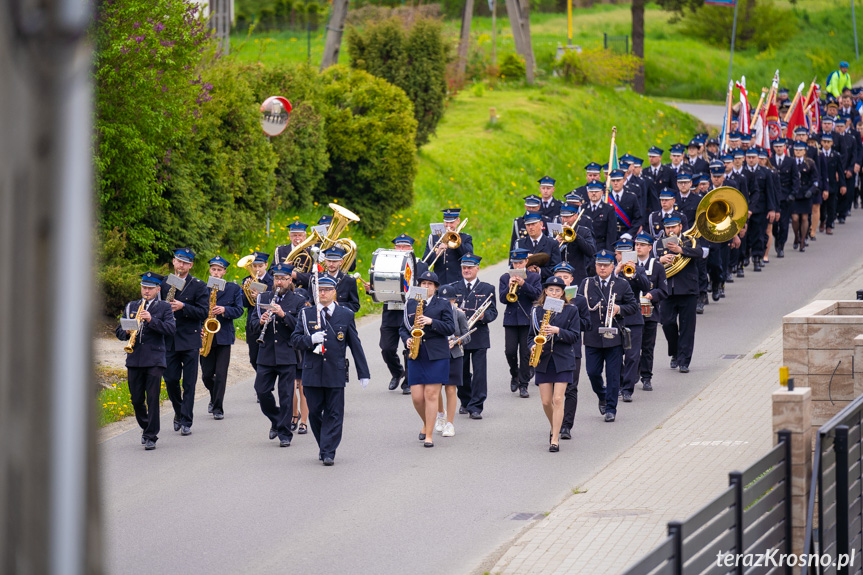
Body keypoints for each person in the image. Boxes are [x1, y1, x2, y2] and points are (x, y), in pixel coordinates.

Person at [291, 276, 370, 466]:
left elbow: (355, 344)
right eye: (320, 290)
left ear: (334, 291)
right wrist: (311, 340)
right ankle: (323, 444)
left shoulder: (346, 314)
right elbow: (295, 340)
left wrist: (363, 372)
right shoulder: (306, 313)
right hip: (312, 372)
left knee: (334, 413)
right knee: (315, 412)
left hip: (335, 371)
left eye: (327, 290)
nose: (323, 293)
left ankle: (328, 451)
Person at [115, 272, 176, 450]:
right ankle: (145, 426)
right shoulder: (131, 306)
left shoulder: (164, 307)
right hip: (134, 358)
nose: (146, 291)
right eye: (144, 288)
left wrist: (151, 320)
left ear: (158, 289)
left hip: (155, 358)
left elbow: (171, 329)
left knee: (153, 397)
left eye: (150, 288)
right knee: (136, 399)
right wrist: (126, 331)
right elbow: (118, 332)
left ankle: (151, 435)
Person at [251, 263, 306, 447]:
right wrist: (260, 320)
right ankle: (276, 419)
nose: (279, 282)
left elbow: (300, 327)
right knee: (262, 390)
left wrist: (283, 315)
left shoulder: (297, 300)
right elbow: (251, 325)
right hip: (266, 353)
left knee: (286, 394)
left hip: (287, 353)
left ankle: (284, 433)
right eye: (276, 278)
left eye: (283, 279)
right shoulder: (263, 297)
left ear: (290, 280)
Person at [580, 250, 638, 422]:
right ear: (595, 266)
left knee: (613, 375)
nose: (602, 268)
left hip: (614, 338)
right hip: (593, 337)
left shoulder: (621, 284)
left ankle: (611, 408)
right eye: (599, 265)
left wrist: (619, 309)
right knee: (592, 373)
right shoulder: (587, 283)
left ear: (613, 266)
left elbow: (633, 306)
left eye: (606, 265)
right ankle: (602, 395)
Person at [400, 272, 455, 446]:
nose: (426, 286)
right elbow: (403, 328)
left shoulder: (443, 304)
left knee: (431, 394)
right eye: (423, 283)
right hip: (416, 353)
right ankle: (427, 422)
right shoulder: (411, 304)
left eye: (430, 284)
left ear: (436, 287)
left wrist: (431, 321)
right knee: (417, 397)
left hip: (437, 355)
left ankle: (429, 435)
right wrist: (406, 339)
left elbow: (450, 328)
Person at [161, 248, 209, 436]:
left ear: (191, 265)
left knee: (189, 383)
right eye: (178, 262)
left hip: (189, 339)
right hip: (169, 339)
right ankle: (178, 411)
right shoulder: (164, 283)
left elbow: (203, 312)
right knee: (171, 379)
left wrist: (184, 306)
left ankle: (186, 420)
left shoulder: (198, 285)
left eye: (185, 263)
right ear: (173, 262)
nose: (181, 266)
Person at [529, 276, 581, 452]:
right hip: (543, 360)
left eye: (558, 290)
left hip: (563, 358)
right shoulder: (537, 311)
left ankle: (555, 438)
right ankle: (554, 426)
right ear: (545, 291)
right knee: (545, 402)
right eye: (551, 290)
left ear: (562, 293)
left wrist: (558, 331)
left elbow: (575, 336)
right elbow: (530, 336)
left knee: (558, 399)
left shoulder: (571, 310)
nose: (554, 293)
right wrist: (532, 347)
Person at [372, 234, 427, 394]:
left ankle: (409, 381)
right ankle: (397, 372)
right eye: (398, 246)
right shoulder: (385, 263)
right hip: (390, 311)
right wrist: (372, 289)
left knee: (411, 346)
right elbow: (379, 285)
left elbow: (426, 289)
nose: (401, 249)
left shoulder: (420, 265)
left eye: (405, 246)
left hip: (410, 312)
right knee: (386, 348)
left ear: (411, 248)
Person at [447, 254, 498, 420]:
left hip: (479, 336)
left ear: (477, 268)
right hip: (459, 336)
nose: (466, 270)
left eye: (470, 268)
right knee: (461, 372)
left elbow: (493, 312)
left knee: (479, 373)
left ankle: (476, 406)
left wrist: (483, 316)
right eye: (464, 268)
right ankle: (466, 400)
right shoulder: (454, 288)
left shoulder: (487, 288)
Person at [655, 216, 705, 373]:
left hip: (687, 290)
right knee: (667, 322)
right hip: (667, 291)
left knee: (687, 327)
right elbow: (649, 261)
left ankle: (684, 360)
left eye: (674, 227)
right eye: (668, 227)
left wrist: (681, 250)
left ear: (680, 227)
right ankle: (675, 352)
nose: (670, 230)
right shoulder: (659, 243)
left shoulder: (690, 241)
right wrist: (660, 259)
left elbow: (700, 253)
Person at [199, 256, 244, 420]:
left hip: (224, 336)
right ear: (210, 270)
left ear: (224, 272)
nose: (216, 273)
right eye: (213, 269)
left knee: (221, 374)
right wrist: (199, 329)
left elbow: (239, 310)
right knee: (206, 375)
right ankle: (213, 396)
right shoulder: (202, 288)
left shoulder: (232, 288)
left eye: (219, 270)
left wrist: (224, 309)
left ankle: (218, 407)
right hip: (205, 336)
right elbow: (196, 312)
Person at [551, 262, 590, 441]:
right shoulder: (547, 300)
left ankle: (566, 426)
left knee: (571, 389)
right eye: (559, 277)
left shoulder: (579, 300)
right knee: (552, 392)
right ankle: (555, 424)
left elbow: (587, 325)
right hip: (551, 349)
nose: (562, 281)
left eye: (565, 278)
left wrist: (570, 314)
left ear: (571, 280)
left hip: (572, 349)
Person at [500, 249, 543, 398]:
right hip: (511, 319)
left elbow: (538, 296)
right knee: (510, 351)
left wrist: (523, 284)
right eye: (515, 262)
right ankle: (515, 374)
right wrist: (508, 287)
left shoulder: (534, 277)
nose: (517, 265)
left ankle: (523, 385)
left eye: (520, 262)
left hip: (527, 319)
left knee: (525, 353)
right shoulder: (505, 277)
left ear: (526, 262)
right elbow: (502, 299)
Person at [613, 240, 651, 403]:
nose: (622, 257)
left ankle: (628, 389)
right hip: (615, 319)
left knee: (632, 355)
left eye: (626, 254)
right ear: (616, 255)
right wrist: (615, 273)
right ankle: (621, 382)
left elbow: (646, 286)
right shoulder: (610, 272)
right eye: (619, 254)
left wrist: (634, 272)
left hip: (634, 318)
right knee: (615, 354)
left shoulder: (639, 269)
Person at [632, 234, 668, 392]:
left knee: (647, 346)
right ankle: (632, 375)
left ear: (649, 247)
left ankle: (646, 377)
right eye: (636, 244)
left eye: (642, 244)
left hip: (650, 313)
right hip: (632, 313)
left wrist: (652, 295)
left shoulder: (657, 265)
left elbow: (663, 290)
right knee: (632, 347)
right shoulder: (630, 264)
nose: (638, 247)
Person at [436, 285, 470, 438]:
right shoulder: (434, 313)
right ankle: (440, 414)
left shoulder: (459, 315)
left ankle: (450, 423)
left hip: (454, 355)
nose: (446, 303)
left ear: (454, 300)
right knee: (435, 389)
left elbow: (467, 336)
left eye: (449, 300)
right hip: (437, 354)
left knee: (450, 389)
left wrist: (457, 341)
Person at [744, 147, 778, 272]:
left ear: (758, 158)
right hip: (745, 209)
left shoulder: (766, 172)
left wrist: (772, 209)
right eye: (749, 158)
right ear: (745, 158)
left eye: (753, 157)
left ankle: (757, 258)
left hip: (761, 208)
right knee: (745, 234)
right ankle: (745, 256)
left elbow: (770, 192)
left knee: (758, 234)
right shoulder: (742, 172)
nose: (751, 160)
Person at [422, 208, 474, 285]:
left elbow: (469, 257)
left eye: (452, 222)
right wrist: (437, 252)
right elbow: (425, 262)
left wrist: (456, 242)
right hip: (439, 282)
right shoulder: (433, 237)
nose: (448, 225)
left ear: (458, 221)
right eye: (446, 222)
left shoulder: (465, 238)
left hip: (458, 282)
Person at [242, 251, 274, 373]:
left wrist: (261, 296)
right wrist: (247, 294)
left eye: (260, 266)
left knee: (268, 355)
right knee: (253, 357)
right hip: (253, 321)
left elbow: (274, 300)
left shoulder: (272, 281)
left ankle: (264, 381)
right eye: (254, 266)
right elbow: (244, 304)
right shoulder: (247, 281)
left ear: (266, 265)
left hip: (269, 320)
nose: (257, 269)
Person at [771, 138, 798, 258]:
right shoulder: (770, 161)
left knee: (784, 223)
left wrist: (793, 193)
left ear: (784, 147)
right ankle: (777, 238)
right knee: (774, 224)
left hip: (786, 196)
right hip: (773, 196)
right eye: (776, 146)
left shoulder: (791, 161)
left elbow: (795, 179)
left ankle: (781, 245)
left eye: (781, 146)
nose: (778, 148)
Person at [556, 203, 596, 285]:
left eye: (568, 217)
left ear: (576, 216)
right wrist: (555, 242)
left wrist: (576, 237)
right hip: (559, 276)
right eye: (563, 217)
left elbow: (591, 252)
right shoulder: (556, 231)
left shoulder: (584, 231)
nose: (565, 220)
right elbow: (548, 254)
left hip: (577, 276)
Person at [791, 141, 819, 252]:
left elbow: (815, 180)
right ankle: (796, 236)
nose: (798, 152)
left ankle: (802, 240)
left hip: (806, 193)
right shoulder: (791, 162)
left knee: (804, 218)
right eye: (796, 150)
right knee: (795, 218)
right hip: (795, 194)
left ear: (804, 151)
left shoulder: (810, 163)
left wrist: (811, 191)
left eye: (800, 150)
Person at [516, 212, 561, 280]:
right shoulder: (520, 243)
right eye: (528, 225)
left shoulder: (552, 243)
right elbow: (513, 267)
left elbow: (556, 268)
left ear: (541, 224)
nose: (530, 227)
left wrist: (539, 270)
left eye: (533, 224)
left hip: (544, 284)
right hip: (525, 283)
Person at [820, 133, 847, 235]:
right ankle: (822, 219)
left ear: (832, 143)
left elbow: (840, 171)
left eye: (828, 142)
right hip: (822, 184)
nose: (826, 144)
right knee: (822, 206)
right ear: (821, 142)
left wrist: (842, 184)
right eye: (824, 142)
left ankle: (829, 225)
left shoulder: (836, 156)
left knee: (831, 206)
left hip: (832, 184)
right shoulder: (819, 155)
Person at [606, 168, 643, 240]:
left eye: (618, 180)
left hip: (626, 234)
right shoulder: (606, 198)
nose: (615, 183)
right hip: (610, 236)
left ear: (623, 181)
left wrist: (630, 234)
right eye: (613, 181)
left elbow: (637, 219)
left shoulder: (632, 197)